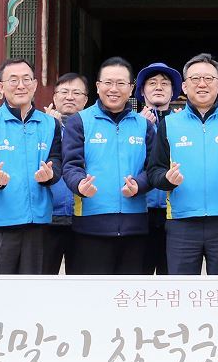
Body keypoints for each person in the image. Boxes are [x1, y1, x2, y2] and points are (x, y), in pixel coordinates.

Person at [147, 53, 218, 275]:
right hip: (181, 222)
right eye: (195, 79)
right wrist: (166, 180)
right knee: (181, 294)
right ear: (185, 86)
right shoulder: (169, 124)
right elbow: (154, 171)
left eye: (208, 79)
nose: (202, 84)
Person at [62, 58, 155, 274]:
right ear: (97, 86)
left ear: (131, 88)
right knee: (92, 301)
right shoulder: (80, 121)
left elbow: (153, 168)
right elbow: (70, 164)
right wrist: (79, 184)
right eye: (108, 82)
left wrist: (139, 185)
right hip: (90, 227)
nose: (114, 89)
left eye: (121, 83)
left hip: (135, 227)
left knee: (130, 299)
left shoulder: (144, 126)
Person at [0, 59, 61, 274]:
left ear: (35, 84)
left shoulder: (50, 124)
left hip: (37, 224)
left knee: (32, 297)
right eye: (13, 80)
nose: (21, 85)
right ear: (1, 87)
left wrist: (50, 175)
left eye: (26, 79)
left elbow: (57, 161)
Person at [135, 62, 183, 275]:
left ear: (173, 91)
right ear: (141, 90)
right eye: (152, 83)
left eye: (165, 83)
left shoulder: (182, 124)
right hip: (139, 209)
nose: (158, 87)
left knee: (170, 274)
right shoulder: (131, 123)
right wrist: (144, 128)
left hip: (173, 211)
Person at [44, 72, 89, 274]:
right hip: (47, 218)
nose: (70, 97)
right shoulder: (41, 127)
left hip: (83, 217)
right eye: (64, 92)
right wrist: (52, 127)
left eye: (76, 92)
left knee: (81, 282)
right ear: (54, 97)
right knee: (43, 278)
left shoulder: (93, 127)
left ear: (86, 100)